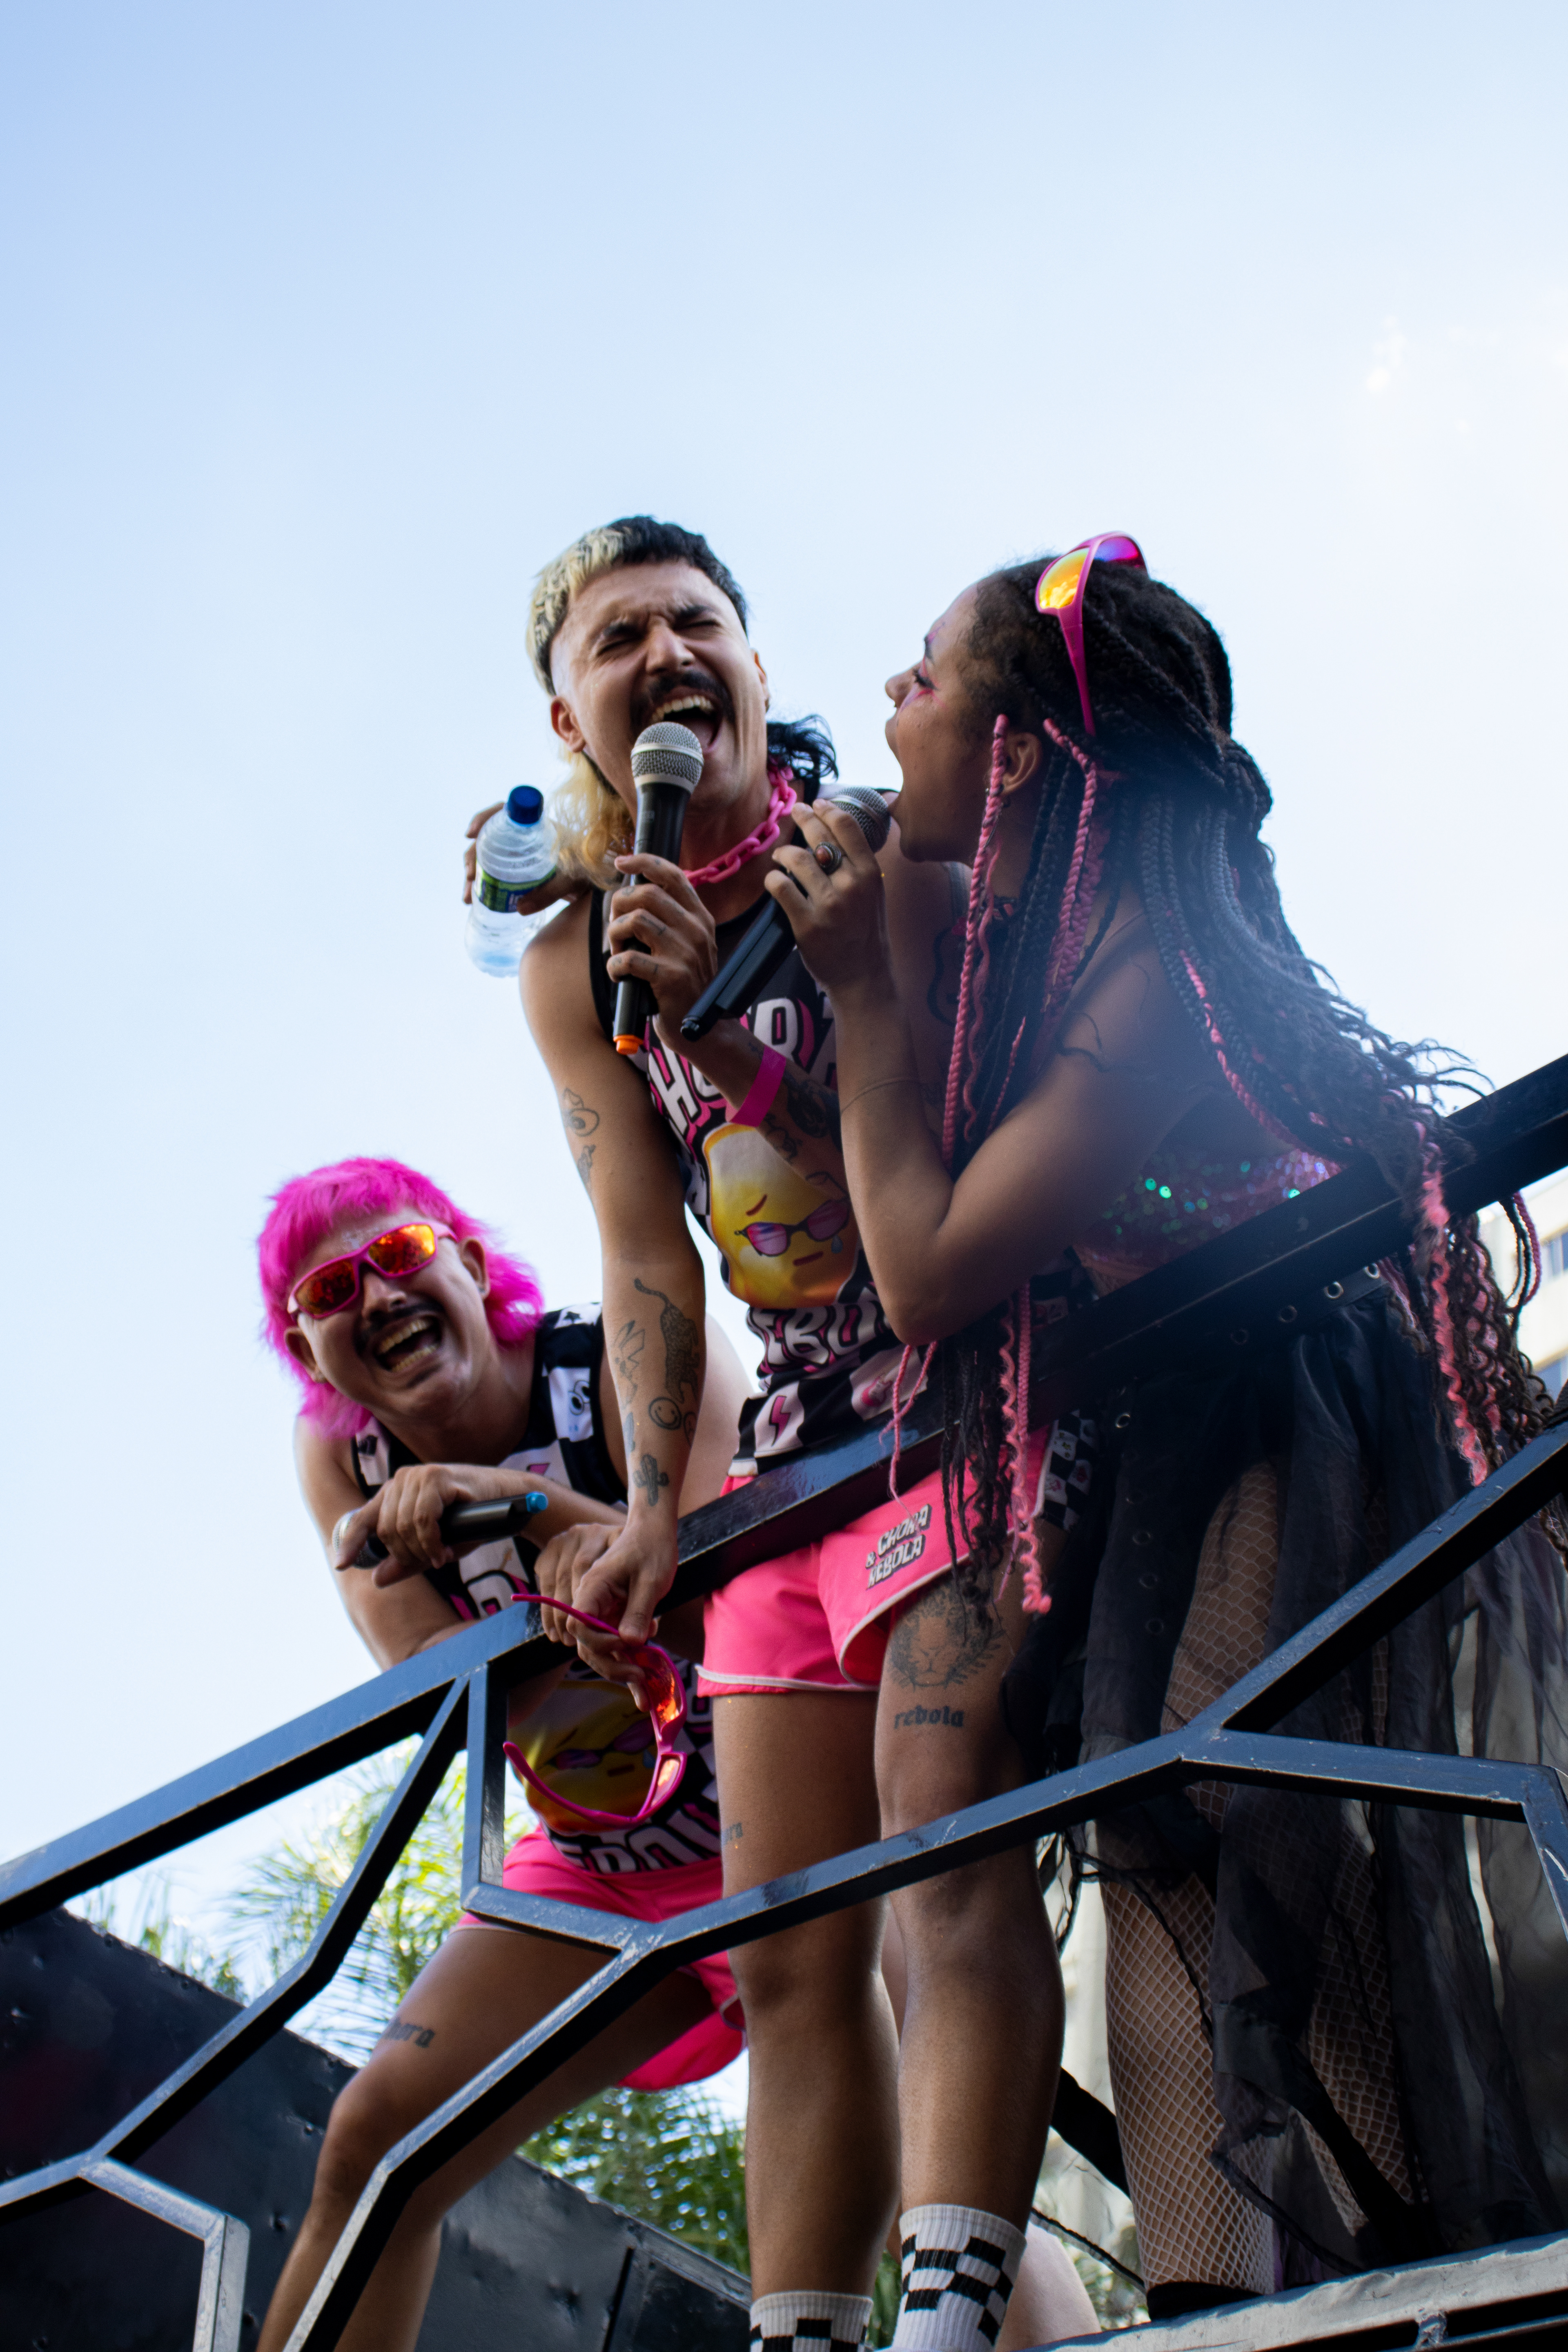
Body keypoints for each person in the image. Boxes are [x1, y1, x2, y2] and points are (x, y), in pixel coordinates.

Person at [757, 535, 1568, 2318]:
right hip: (1173, 1428)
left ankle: (1402, 2268)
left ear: (1025, 749)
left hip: (1287, 1399)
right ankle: (1230, 2297)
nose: (889, 700)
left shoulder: (1143, 980)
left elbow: (930, 1273)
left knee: (1235, 1810)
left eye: (925, 672)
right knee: (1175, 1841)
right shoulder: (1044, 947)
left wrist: (868, 1001)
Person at [514, 517, 1091, 2352]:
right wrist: (654, 1501)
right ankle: (804, 2330)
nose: (669, 654)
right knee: (786, 1943)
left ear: (759, 675)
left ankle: (954, 2314)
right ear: (573, 710)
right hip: (795, 1458)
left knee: (938, 1836)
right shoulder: (568, 967)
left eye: (702, 624)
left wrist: (745, 1018)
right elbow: (642, 1248)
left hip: (967, 1391)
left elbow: (936, 1130)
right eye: (624, 639)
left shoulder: (876, 854)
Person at [252, 1155, 751, 2352]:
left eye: (402, 1257)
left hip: (787, 1793)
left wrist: (524, 1508)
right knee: (381, 2144)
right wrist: (584, 1574)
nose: (373, 1298)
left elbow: (741, 1579)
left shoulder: (618, 1362)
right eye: (329, 1292)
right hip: (604, 1862)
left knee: (894, 2139)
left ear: (471, 1268)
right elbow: (444, 1689)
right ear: (308, 1351)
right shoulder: (345, 1463)